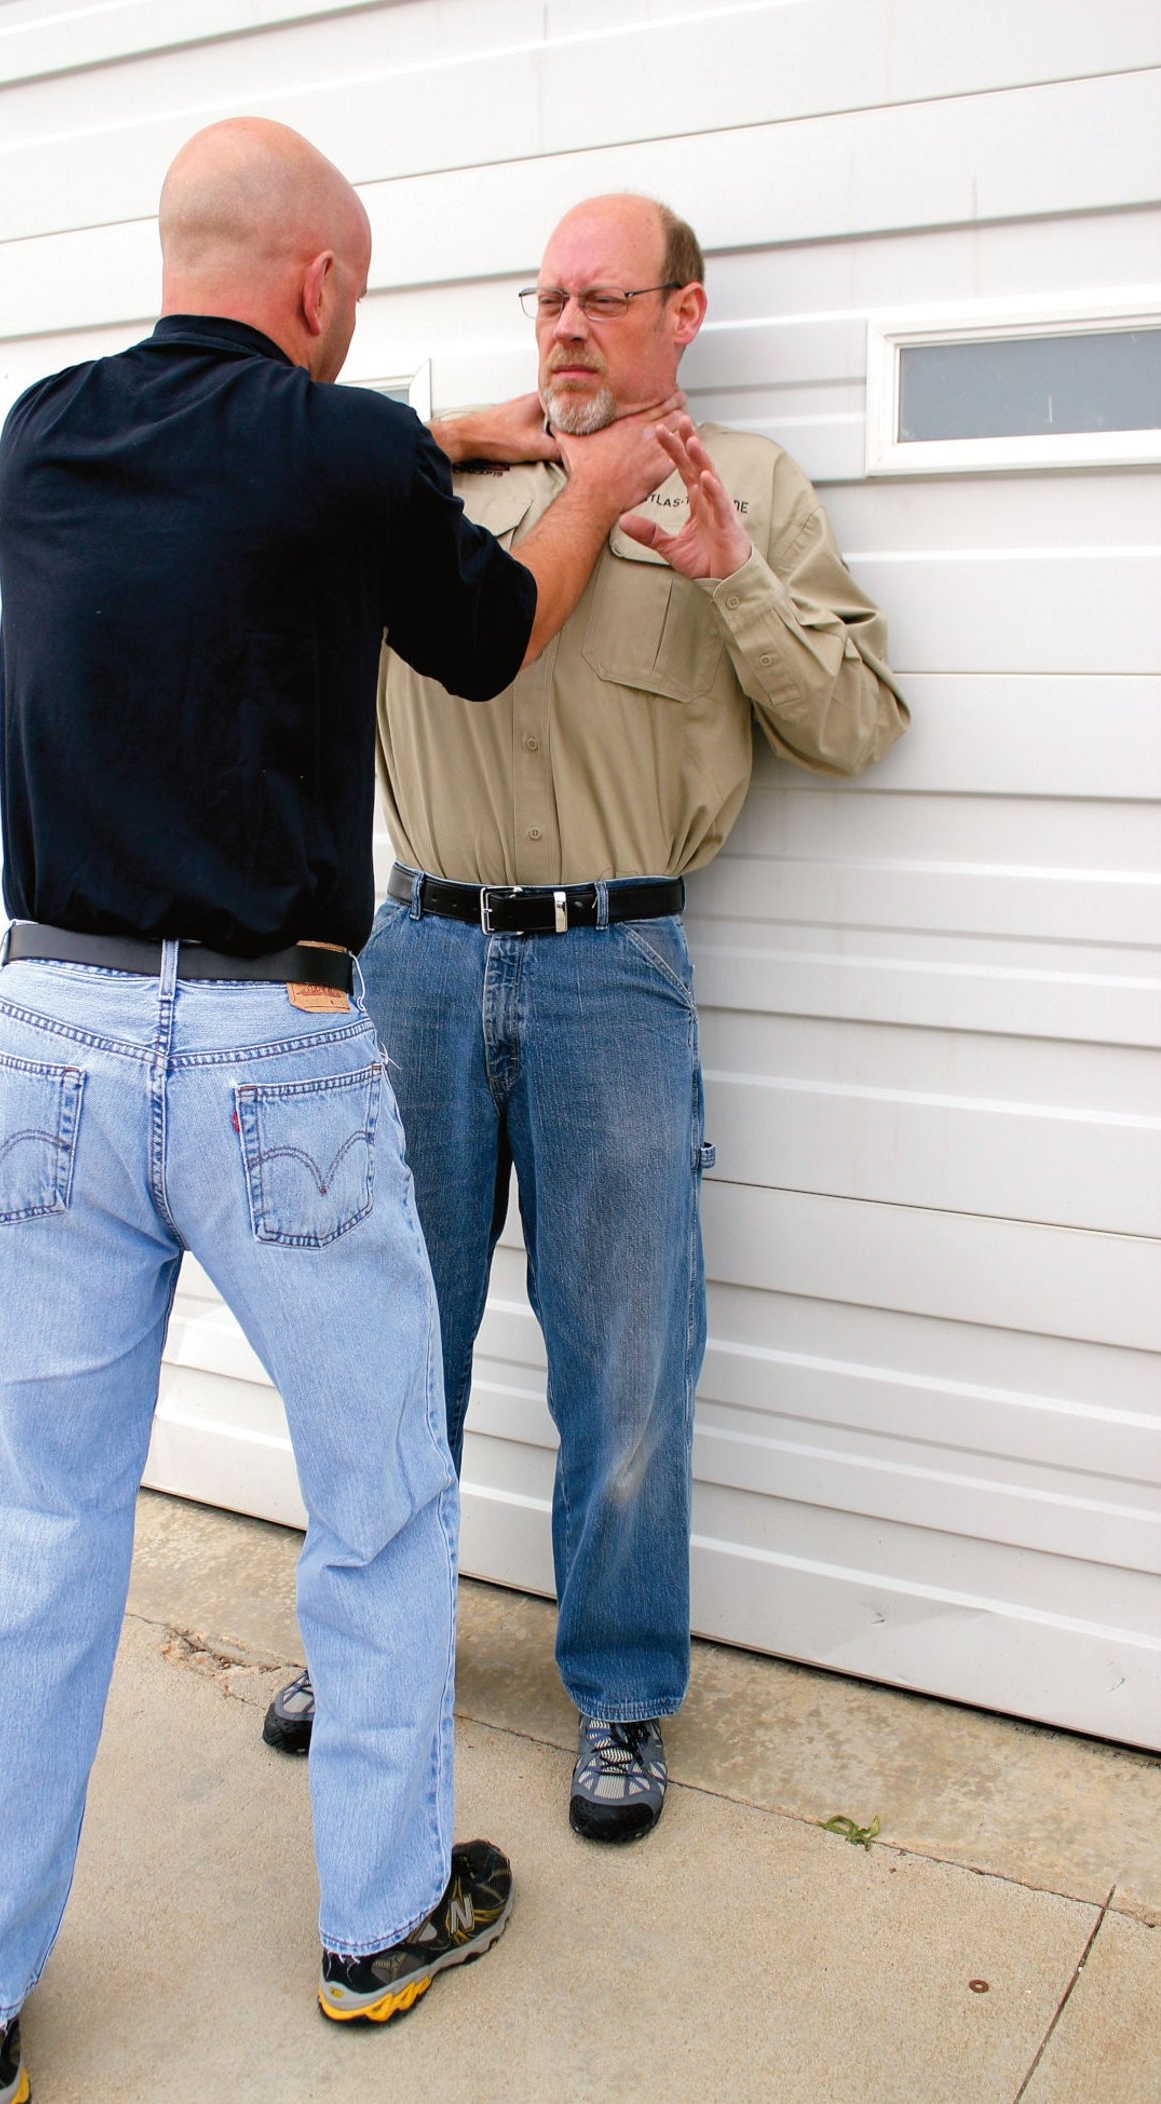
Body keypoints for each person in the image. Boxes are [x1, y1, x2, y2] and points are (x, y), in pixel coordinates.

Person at [0, 127, 677, 2104]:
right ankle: (377, 1927)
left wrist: (444, 426)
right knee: (386, 1499)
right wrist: (580, 478)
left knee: (15, 1527)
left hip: (46, 1036)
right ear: (326, 289)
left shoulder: (43, 433)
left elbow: (289, 463)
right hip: (277, 1048)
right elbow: (488, 636)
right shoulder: (349, 457)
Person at [263, 191, 909, 1845]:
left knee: (629, 1360)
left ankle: (619, 1693)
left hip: (613, 971)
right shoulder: (426, 476)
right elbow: (267, 486)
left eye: (605, 299)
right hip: (414, 961)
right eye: (547, 297)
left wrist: (736, 576)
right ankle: (362, 1644)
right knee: (388, 1342)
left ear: (681, 317)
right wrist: (473, 434)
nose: (565, 324)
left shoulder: (745, 487)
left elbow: (856, 722)